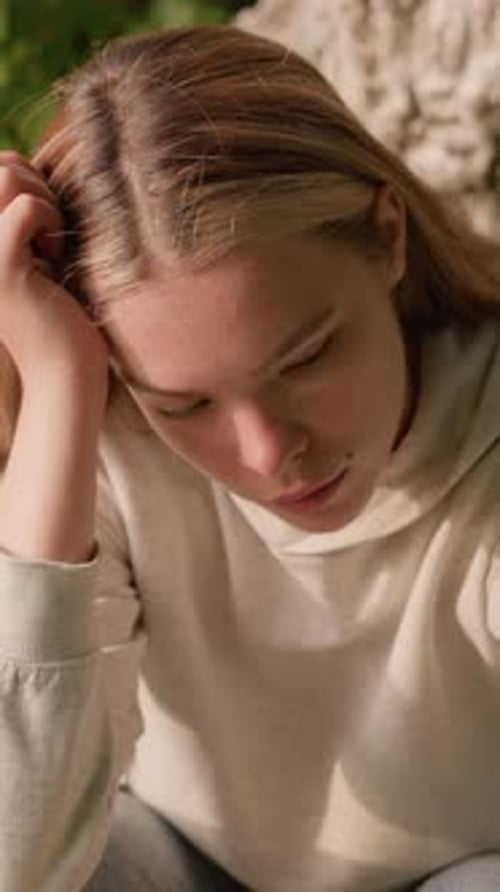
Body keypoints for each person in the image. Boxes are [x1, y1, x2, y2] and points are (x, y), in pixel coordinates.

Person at [1, 22, 500, 892]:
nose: (271, 452)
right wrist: (55, 387)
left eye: (304, 357)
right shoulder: (101, 434)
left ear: (388, 235)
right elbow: (19, 861)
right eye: (185, 404)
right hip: (180, 858)